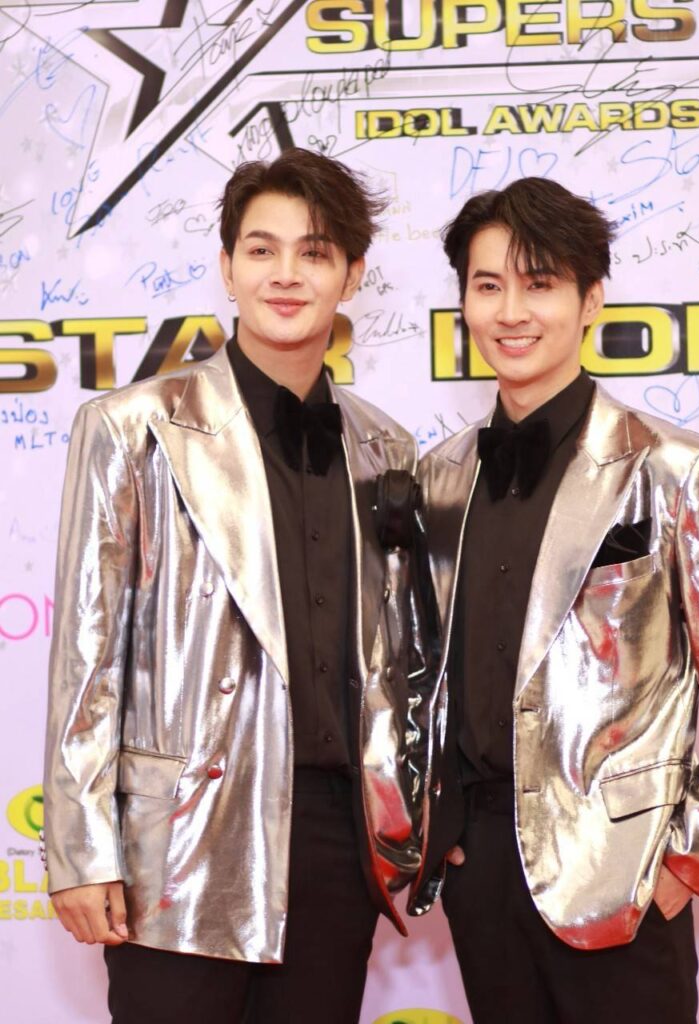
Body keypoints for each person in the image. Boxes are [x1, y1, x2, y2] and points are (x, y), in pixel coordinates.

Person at [42, 148, 429, 1024]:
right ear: (226, 266)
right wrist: (80, 847)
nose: (285, 274)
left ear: (351, 275)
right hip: (178, 837)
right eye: (261, 250)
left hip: (336, 838)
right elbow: (86, 654)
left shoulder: (387, 448)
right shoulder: (132, 427)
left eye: (313, 252)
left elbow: (401, 657)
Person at [409, 176, 699, 1024]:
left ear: (590, 299)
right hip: (479, 872)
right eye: (488, 286)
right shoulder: (436, 479)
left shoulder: (675, 468)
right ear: (463, 303)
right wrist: (435, 823)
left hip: (623, 874)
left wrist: (683, 860)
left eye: (538, 284)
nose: (511, 312)